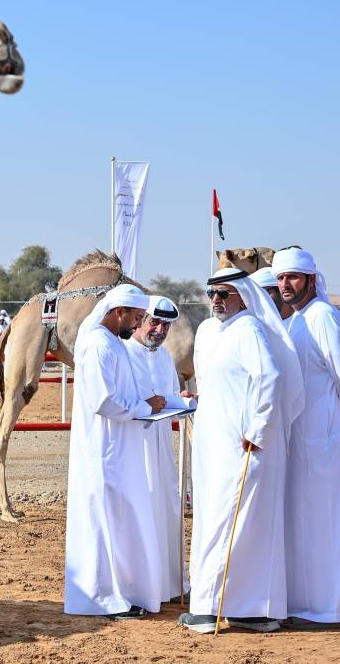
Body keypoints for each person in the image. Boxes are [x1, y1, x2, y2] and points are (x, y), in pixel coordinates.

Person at [179, 268, 303, 634]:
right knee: (230, 523)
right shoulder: (210, 331)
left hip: (242, 447)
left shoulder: (249, 328)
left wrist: (257, 430)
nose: (216, 299)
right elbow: (226, 384)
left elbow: (271, 378)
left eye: (224, 293)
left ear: (244, 296)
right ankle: (252, 610)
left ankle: (209, 608)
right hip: (213, 445)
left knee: (229, 522)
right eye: (212, 292)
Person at [272, 248, 340, 626]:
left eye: (293, 277)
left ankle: (331, 605)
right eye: (282, 278)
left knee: (328, 519)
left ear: (311, 280)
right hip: (300, 437)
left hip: (328, 435)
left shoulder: (323, 317)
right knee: (306, 519)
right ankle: (309, 600)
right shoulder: (297, 320)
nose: (286, 284)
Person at [64, 284, 168, 620]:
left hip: (119, 448)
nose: (138, 326)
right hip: (104, 450)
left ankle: (120, 593)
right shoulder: (97, 343)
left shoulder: (112, 342)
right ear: (118, 311)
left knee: (118, 521)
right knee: (104, 522)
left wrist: (157, 403)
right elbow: (104, 400)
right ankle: (103, 598)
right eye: (137, 318)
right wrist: (143, 407)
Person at [123, 295, 194, 604]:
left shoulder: (164, 357)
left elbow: (166, 398)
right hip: (134, 447)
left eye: (166, 325)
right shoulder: (123, 353)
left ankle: (167, 584)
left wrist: (184, 399)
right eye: (155, 322)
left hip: (162, 447)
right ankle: (140, 586)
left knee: (165, 509)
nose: (160, 330)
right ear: (140, 320)